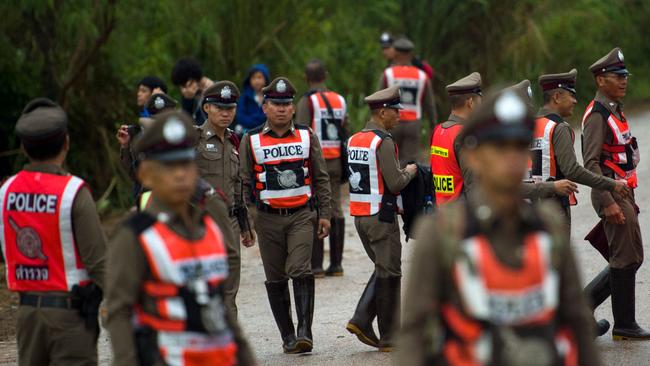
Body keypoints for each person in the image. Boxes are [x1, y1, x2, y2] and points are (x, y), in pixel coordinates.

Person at [396, 87, 600, 365]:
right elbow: (413, 339)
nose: (512, 157)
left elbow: (576, 324)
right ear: (473, 157)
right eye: (499, 147)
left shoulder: (548, 228)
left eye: (519, 145)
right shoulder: (439, 234)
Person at [105, 110, 255, 366]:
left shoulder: (209, 225)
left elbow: (217, 304)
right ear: (145, 175)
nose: (179, 174)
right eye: (168, 166)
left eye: (185, 164)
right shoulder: (135, 234)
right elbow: (118, 312)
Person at [0, 98, 106, 365]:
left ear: (23, 147)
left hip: (26, 316)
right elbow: (98, 262)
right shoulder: (74, 192)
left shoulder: (5, 192)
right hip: (70, 318)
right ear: (66, 143)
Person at [534, 69, 632, 337]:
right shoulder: (559, 128)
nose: (575, 101)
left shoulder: (530, 125)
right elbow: (574, 170)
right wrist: (610, 184)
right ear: (556, 96)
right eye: (570, 96)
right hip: (554, 206)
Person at [239, 77, 332, 354]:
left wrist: (324, 213)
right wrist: (247, 222)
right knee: (276, 277)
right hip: (267, 218)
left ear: (293, 108)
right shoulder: (251, 139)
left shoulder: (307, 136)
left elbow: (321, 177)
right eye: (275, 104)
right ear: (265, 107)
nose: (281, 109)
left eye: (286, 104)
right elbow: (244, 183)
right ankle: (288, 336)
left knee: (300, 268)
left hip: (302, 215)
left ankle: (305, 332)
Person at [581, 47, 649, 340]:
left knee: (631, 257)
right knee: (625, 259)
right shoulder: (597, 115)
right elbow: (591, 162)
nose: (623, 81)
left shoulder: (613, 109)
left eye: (625, 76)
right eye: (616, 76)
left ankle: (588, 307)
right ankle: (624, 324)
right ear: (600, 80)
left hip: (623, 191)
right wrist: (607, 201)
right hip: (610, 192)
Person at [345, 85, 417, 352]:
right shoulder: (383, 141)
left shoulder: (354, 139)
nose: (399, 116)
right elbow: (395, 182)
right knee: (391, 272)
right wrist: (409, 170)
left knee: (383, 268)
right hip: (381, 216)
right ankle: (388, 337)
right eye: (396, 111)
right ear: (383, 112)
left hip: (360, 217)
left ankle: (363, 319)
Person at [196, 81, 256, 319]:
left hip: (230, 224)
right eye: (219, 108)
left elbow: (239, 185)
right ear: (207, 108)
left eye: (230, 108)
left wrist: (246, 226)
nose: (225, 113)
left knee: (230, 288)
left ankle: (228, 345)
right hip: (202, 224)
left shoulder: (236, 142)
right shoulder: (194, 138)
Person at [295, 59, 347, 277]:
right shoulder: (340, 100)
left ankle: (315, 265)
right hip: (335, 160)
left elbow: (301, 131)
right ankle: (336, 265)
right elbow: (346, 129)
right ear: (325, 75)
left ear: (306, 78)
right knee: (335, 207)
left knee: (316, 207)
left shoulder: (307, 102)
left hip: (316, 161)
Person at [378, 37, 436, 165]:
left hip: (391, 122)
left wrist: (377, 123)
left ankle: (393, 184)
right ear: (410, 54)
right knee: (411, 163)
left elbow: (378, 99)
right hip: (413, 124)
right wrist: (433, 125)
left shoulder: (388, 74)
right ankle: (409, 185)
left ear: (395, 53)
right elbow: (430, 105)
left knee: (391, 161)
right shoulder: (422, 76)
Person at [430, 72, 482, 205]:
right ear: (470, 102)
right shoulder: (465, 135)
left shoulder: (438, 130)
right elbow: (473, 185)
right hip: (461, 216)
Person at [117, 92, 178, 201]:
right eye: (157, 120)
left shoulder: (185, 138)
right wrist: (125, 146)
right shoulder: (142, 143)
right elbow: (135, 176)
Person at [171, 57, 214, 125]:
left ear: (193, 80)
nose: (183, 91)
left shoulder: (217, 90)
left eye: (184, 86)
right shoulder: (188, 98)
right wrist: (187, 101)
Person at [234, 64, 270, 136]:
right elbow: (240, 117)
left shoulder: (270, 97)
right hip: (247, 132)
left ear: (265, 79)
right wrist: (258, 121)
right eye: (253, 78)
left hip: (266, 131)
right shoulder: (244, 97)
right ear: (249, 80)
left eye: (259, 77)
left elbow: (270, 115)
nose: (256, 81)